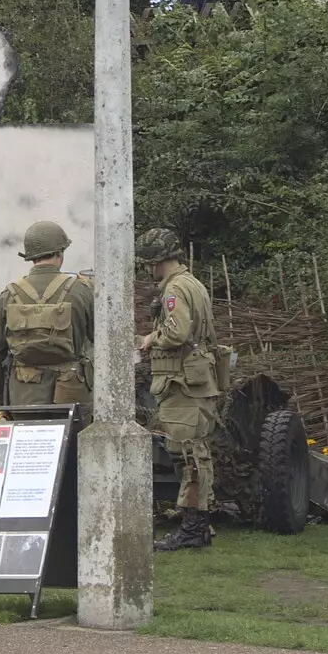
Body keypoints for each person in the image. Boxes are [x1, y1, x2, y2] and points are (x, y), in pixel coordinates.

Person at [136, 227, 221, 552]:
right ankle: (198, 525)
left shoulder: (175, 289)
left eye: (148, 263)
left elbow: (176, 332)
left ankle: (193, 529)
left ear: (156, 261)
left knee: (188, 454)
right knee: (192, 451)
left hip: (183, 383)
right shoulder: (192, 284)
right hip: (192, 381)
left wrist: (150, 339)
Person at [0, 221, 94, 412]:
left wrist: (2, 398)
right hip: (73, 396)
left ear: (30, 257)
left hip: (23, 396)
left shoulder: (9, 294)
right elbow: (100, 342)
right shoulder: (81, 290)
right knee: (73, 441)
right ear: (60, 253)